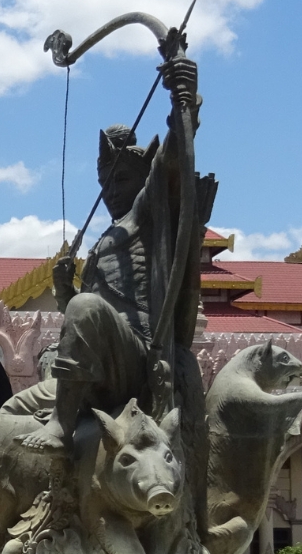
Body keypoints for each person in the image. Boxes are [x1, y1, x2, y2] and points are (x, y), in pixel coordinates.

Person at [19, 53, 203, 456]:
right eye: (104, 183)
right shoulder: (104, 241)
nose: (111, 192)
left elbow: (172, 157)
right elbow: (84, 320)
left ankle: (61, 426)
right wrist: (64, 290)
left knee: (85, 306)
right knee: (13, 409)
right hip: (101, 362)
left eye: (120, 179)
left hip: (137, 359)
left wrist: (184, 101)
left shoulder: (146, 213)